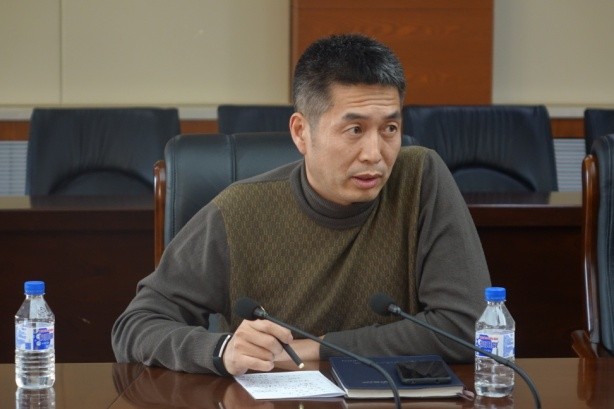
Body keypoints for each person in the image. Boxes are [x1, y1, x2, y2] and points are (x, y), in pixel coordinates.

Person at [112, 33, 491, 376]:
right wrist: (220, 349)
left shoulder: (420, 178)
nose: (375, 154)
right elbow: (136, 326)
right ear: (301, 132)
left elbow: (469, 327)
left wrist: (316, 348)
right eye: (355, 130)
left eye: (390, 129)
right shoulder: (239, 211)